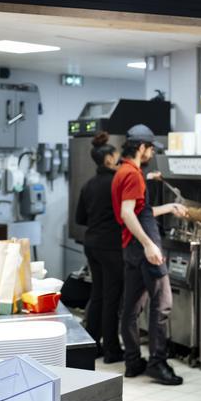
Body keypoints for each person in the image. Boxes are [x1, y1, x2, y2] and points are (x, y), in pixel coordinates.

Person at [111, 123, 188, 386]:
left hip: (130, 248)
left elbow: (141, 211)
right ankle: (157, 362)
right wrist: (148, 245)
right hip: (143, 247)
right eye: (150, 148)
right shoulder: (132, 174)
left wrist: (169, 207)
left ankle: (133, 362)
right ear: (141, 147)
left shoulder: (124, 171)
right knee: (162, 303)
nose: (151, 152)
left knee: (131, 308)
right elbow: (127, 214)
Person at [75, 132, 124, 363]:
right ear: (108, 160)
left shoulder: (89, 185)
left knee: (98, 295)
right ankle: (112, 351)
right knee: (112, 298)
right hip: (111, 246)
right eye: (117, 157)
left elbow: (80, 218)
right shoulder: (116, 183)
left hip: (92, 244)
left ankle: (92, 345)